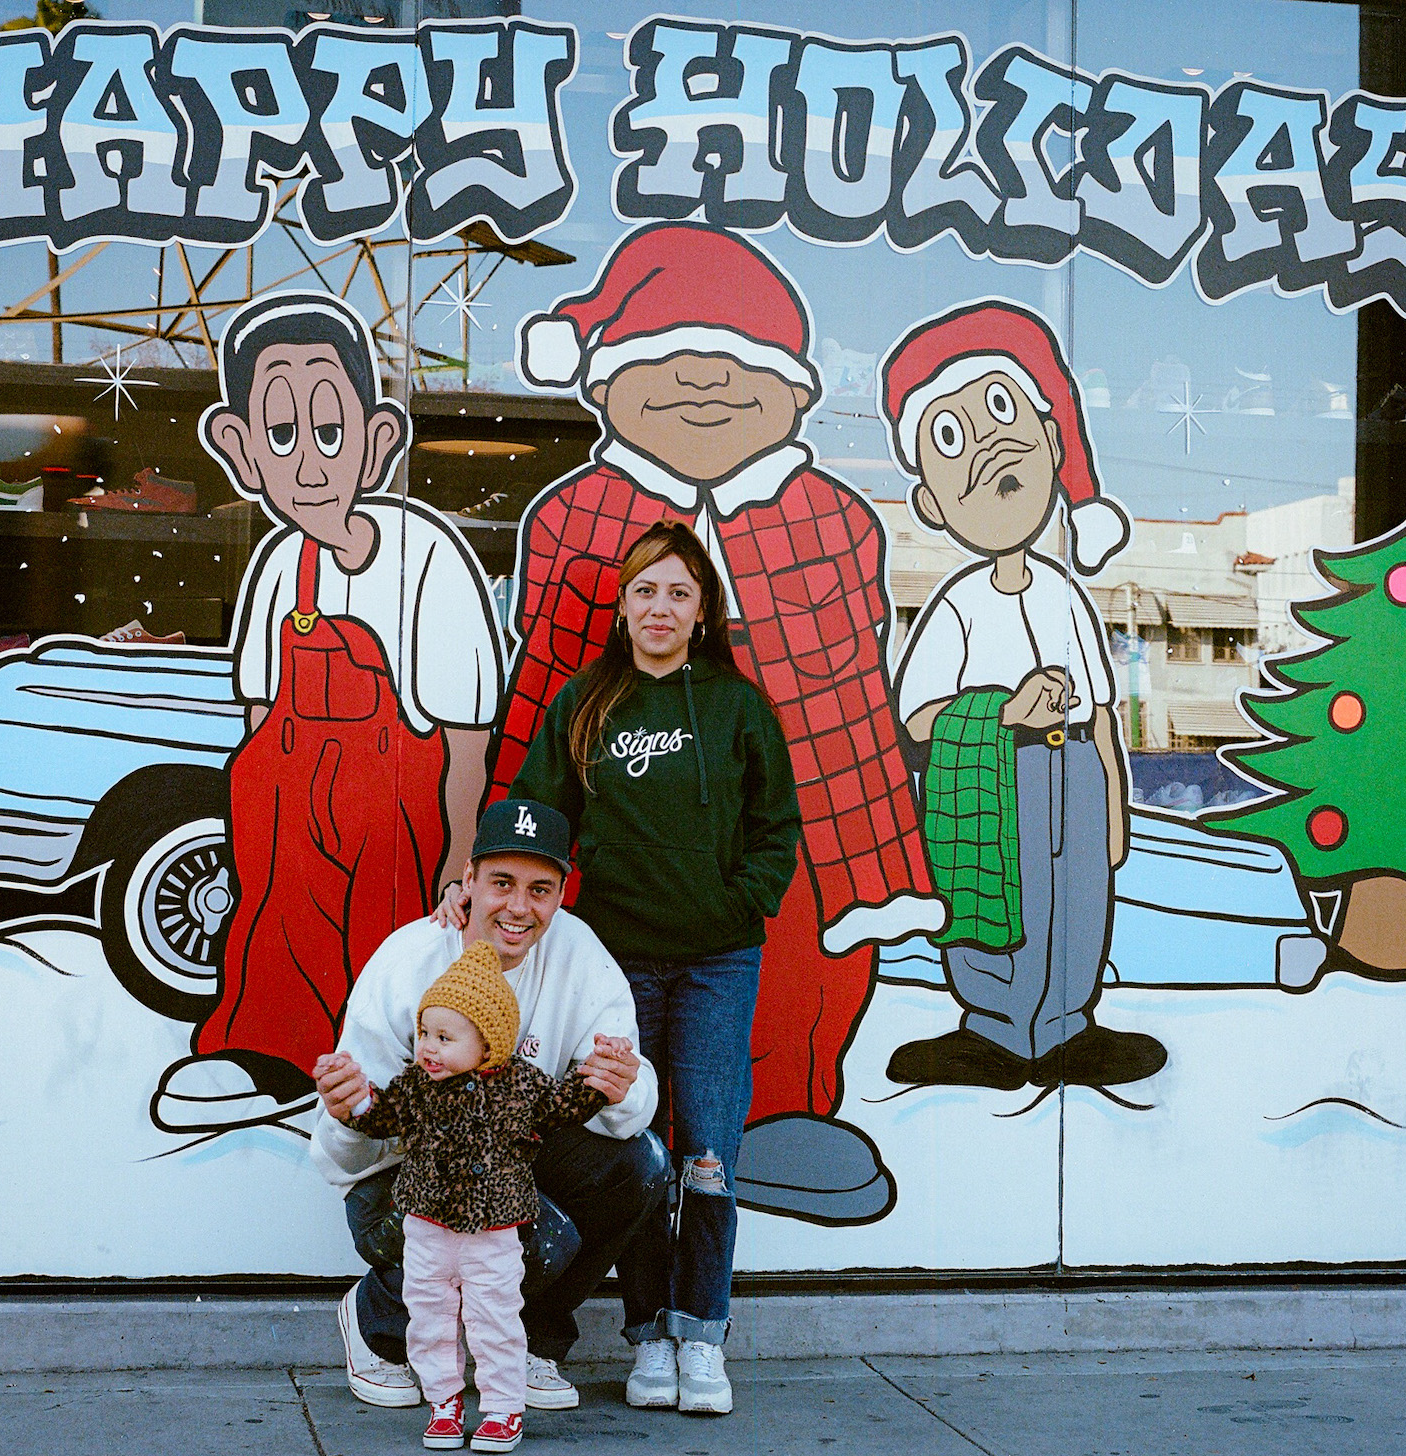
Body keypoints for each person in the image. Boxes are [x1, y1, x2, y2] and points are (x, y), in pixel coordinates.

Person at [493, 222, 945, 1226]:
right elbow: (538, 709)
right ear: (605, 384)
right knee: (619, 1051)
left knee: (818, 954)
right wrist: (501, 872)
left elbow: (857, 684)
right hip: (626, 901)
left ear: (792, 392)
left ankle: (788, 1109)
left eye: (733, 365)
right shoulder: (577, 516)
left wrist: (758, 887)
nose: (702, 384)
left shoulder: (835, 518)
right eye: (666, 362)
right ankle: (622, 1173)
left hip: (795, 823)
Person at [153, 290, 504, 1132]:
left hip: (394, 811)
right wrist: (259, 814)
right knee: (276, 933)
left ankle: (382, 1070)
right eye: (280, 436)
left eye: (330, 431)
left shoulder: (429, 561)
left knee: (385, 951)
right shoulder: (279, 562)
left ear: (378, 439)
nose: (308, 461)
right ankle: (268, 1051)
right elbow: (261, 714)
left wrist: (457, 870)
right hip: (289, 809)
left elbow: (465, 742)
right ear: (240, 452)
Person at [508, 519, 801, 1414]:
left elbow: (776, 829)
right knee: (628, 1146)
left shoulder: (737, 705)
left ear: (703, 608)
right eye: (645, 591)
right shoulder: (587, 702)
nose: (660, 608)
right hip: (616, 963)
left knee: (708, 1153)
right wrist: (483, 884)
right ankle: (647, 1339)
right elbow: (535, 816)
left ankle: (701, 1339)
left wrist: (735, 902)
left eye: (678, 592)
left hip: (718, 962)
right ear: (624, 606)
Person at [881, 300, 1166, 1091]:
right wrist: (1004, 710)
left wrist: (1112, 809)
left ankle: (1070, 1025)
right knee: (1001, 904)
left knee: (1078, 899)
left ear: (1048, 440)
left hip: (1072, 770)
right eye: (952, 438)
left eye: (1003, 413)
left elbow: (1102, 712)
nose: (990, 447)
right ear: (933, 506)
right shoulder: (959, 602)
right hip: (993, 779)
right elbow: (917, 717)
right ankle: (994, 1029)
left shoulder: (1069, 596)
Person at [311, 798, 664, 1417]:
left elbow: (631, 1105)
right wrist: (347, 1112)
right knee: (533, 1233)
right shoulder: (409, 960)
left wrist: (621, 1083)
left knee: (643, 1164)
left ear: (561, 893)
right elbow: (346, 1154)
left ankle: (531, 1340)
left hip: (511, 1159)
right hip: (402, 1179)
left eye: (541, 889)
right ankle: (378, 1326)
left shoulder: (579, 953)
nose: (519, 908)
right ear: (468, 880)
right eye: (502, 883)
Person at [333, 939, 609, 1453]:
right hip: (426, 1227)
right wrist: (352, 1100)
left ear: (488, 1045)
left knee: (495, 1318)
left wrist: (599, 1079)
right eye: (423, 1033)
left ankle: (503, 1409)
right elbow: (377, 1118)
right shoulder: (416, 1086)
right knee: (430, 1315)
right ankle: (444, 1403)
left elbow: (565, 1105)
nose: (428, 1047)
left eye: (444, 1036)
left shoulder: (520, 1087)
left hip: (494, 1230)